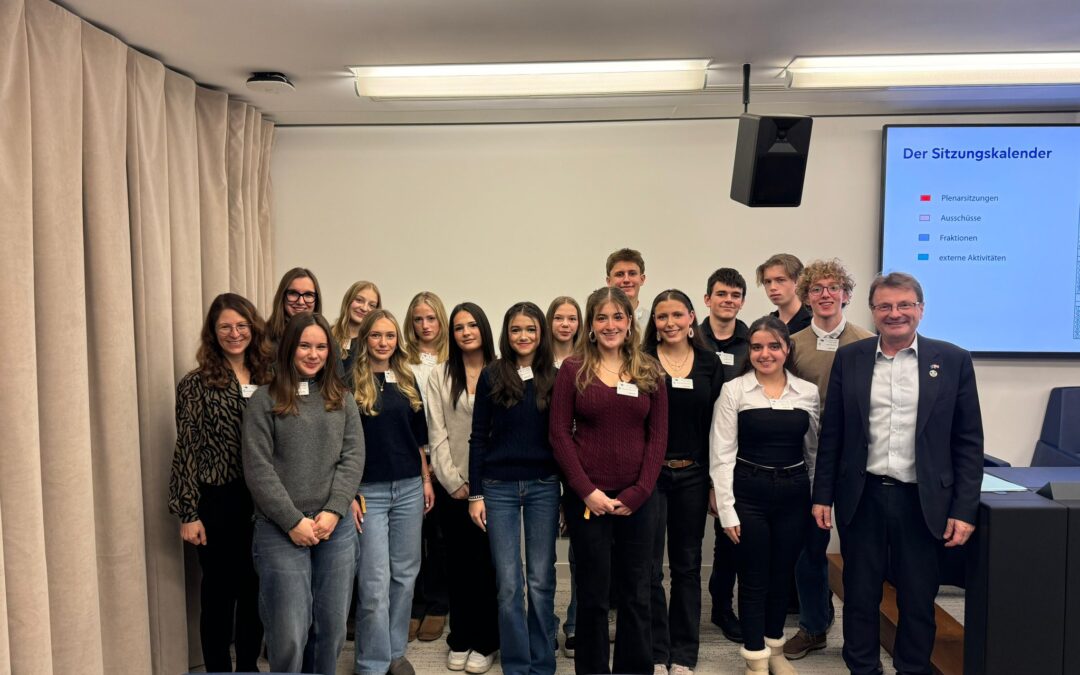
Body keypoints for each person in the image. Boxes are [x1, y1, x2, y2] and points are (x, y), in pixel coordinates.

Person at [812, 272, 984, 675]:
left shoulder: (953, 359)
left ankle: (912, 669)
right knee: (859, 596)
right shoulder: (851, 358)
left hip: (923, 502)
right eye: (885, 306)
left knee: (918, 599)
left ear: (920, 309)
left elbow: (968, 442)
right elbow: (832, 432)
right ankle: (862, 668)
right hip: (863, 497)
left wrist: (964, 510)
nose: (895, 314)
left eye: (904, 304)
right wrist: (822, 494)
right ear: (872, 312)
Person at [550, 286, 668, 675]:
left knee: (636, 593)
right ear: (590, 324)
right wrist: (586, 492)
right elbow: (559, 434)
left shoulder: (650, 370)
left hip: (638, 498)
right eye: (602, 317)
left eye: (618, 317)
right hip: (589, 500)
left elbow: (658, 437)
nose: (610, 324)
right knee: (593, 595)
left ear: (630, 323)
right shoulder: (573, 370)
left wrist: (639, 492)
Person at [242, 312, 365, 674]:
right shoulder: (264, 400)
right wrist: (293, 520)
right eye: (304, 346)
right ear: (289, 349)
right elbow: (258, 467)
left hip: (334, 526)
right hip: (280, 528)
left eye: (321, 346)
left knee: (331, 628)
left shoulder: (342, 399)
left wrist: (334, 510)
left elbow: (353, 457)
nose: (313, 354)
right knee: (290, 630)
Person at [709, 315, 819, 675]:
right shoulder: (735, 390)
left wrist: (816, 500)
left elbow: (813, 453)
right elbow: (722, 454)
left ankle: (775, 649)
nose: (765, 353)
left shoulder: (807, 392)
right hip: (749, 494)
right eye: (757, 347)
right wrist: (727, 510)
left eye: (774, 346)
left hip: (794, 494)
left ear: (787, 349)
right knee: (754, 578)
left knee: (781, 575)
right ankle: (754, 657)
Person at [169, 293, 273, 673]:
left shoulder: (270, 377)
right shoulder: (195, 384)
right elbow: (187, 449)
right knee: (217, 596)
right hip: (218, 500)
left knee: (254, 592)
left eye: (242, 326)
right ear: (213, 332)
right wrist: (188, 512)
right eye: (226, 326)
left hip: (263, 499)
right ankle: (217, 669)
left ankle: (247, 666)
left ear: (253, 329)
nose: (235, 333)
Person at [784, 259, 873, 660]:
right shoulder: (793, 343)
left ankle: (860, 632)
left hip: (856, 461)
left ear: (846, 295)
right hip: (807, 460)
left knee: (860, 550)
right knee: (810, 550)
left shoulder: (867, 341)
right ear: (806, 297)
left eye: (832, 287)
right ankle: (814, 626)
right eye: (816, 288)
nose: (824, 294)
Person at [469, 302, 561, 675]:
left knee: (540, 579)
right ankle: (517, 664)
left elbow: (565, 438)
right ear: (507, 335)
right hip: (498, 488)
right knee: (508, 583)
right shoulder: (492, 376)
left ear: (541, 334)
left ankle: (542, 663)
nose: (523, 336)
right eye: (516, 330)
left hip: (544, 486)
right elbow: (477, 438)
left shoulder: (556, 377)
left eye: (530, 329)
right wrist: (475, 493)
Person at [642, 290, 725, 675]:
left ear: (692, 317)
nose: (670, 322)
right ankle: (658, 651)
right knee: (650, 568)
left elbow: (720, 428)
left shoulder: (710, 363)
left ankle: (684, 653)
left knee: (687, 566)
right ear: (654, 323)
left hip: (693, 474)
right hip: (651, 475)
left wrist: (714, 482)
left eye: (678, 314)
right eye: (662, 316)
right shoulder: (641, 363)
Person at [350, 309, 436, 675]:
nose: (383, 343)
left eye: (389, 336)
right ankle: (371, 662)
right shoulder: (348, 381)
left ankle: (395, 653)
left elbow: (419, 436)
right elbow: (343, 443)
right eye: (375, 336)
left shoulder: (405, 378)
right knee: (373, 582)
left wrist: (426, 478)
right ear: (364, 339)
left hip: (409, 488)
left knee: (404, 575)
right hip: (368, 491)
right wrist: (349, 492)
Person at [426, 302, 501, 673]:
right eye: (459, 327)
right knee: (458, 565)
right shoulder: (439, 376)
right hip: (453, 486)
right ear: (452, 335)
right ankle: (462, 637)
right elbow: (436, 433)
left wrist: (484, 485)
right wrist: (454, 482)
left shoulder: (502, 372)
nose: (466, 332)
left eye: (473, 325)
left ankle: (487, 641)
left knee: (489, 566)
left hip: (495, 486)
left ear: (484, 329)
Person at [699, 267, 750, 643]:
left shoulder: (753, 343)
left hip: (737, 453)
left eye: (735, 294)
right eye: (721, 294)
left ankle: (721, 608)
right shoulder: (689, 337)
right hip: (690, 449)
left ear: (742, 301)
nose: (728, 300)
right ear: (707, 299)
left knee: (728, 536)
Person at [402, 291, 452, 641]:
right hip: (412, 458)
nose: (425, 325)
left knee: (440, 537)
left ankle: (438, 603)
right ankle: (414, 604)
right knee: (411, 538)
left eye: (431, 318)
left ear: (441, 321)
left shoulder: (455, 359)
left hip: (445, 459)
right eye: (418, 319)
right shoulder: (401, 362)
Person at [331, 280, 382, 386]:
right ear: (348, 300)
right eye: (359, 300)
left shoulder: (376, 343)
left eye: (371, 305)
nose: (364, 308)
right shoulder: (327, 335)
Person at [267, 267, 324, 348]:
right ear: (282, 297)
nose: (301, 302)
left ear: (316, 300)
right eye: (293, 293)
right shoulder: (262, 337)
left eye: (308, 295)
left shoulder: (326, 337)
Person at [756, 254, 811, 334]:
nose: (772, 287)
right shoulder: (765, 325)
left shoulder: (814, 322)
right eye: (768, 282)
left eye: (780, 280)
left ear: (799, 281)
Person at [605, 248, 648, 331]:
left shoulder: (653, 321)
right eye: (619, 274)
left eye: (632, 273)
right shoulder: (597, 321)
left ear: (642, 279)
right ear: (609, 281)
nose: (626, 280)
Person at [546, 296, 583, 368]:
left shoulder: (587, 360)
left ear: (579, 323)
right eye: (558, 318)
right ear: (549, 321)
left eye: (572, 319)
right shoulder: (538, 359)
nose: (565, 324)